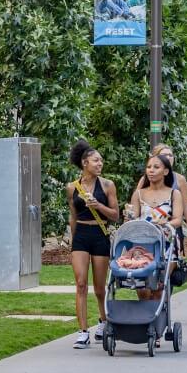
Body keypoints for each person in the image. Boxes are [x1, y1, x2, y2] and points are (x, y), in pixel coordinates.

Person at [65, 140, 121, 349]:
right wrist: (73, 239)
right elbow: (73, 215)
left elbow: (115, 215)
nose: (100, 163)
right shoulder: (72, 187)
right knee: (80, 284)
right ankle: (82, 332)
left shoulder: (107, 185)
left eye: (101, 161)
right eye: (96, 160)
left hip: (100, 233)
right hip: (81, 234)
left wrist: (98, 205)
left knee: (99, 288)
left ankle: (103, 321)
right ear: (85, 162)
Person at [126, 153, 187, 306]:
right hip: (142, 244)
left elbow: (178, 219)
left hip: (166, 243)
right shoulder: (139, 193)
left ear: (166, 171)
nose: (151, 170)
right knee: (142, 288)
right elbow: (131, 218)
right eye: (148, 167)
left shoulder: (174, 193)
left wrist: (165, 225)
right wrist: (129, 216)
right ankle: (145, 319)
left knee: (159, 287)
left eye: (156, 167)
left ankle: (159, 322)